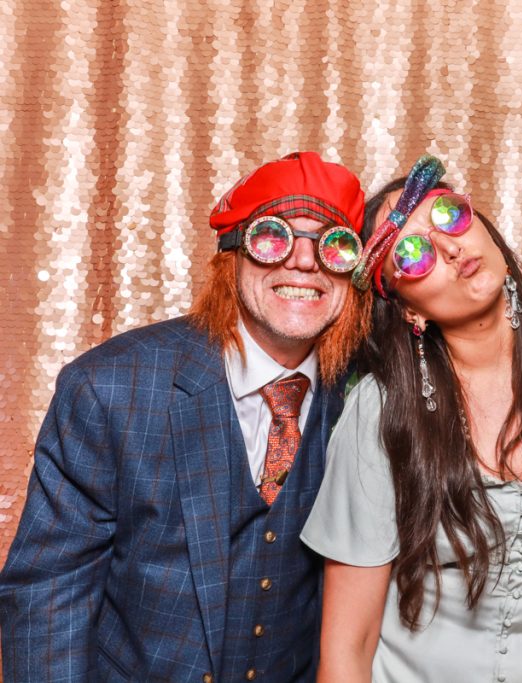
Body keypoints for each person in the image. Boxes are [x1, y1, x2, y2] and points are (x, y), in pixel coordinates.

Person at [0, 152, 370, 682]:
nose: (304, 263)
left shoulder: (366, 396)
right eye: (273, 237)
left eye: (334, 246)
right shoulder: (110, 387)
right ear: (231, 256)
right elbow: (48, 595)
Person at [301, 154, 522, 683]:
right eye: (412, 254)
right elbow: (350, 642)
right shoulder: (381, 406)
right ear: (407, 308)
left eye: (449, 218)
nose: (448, 248)